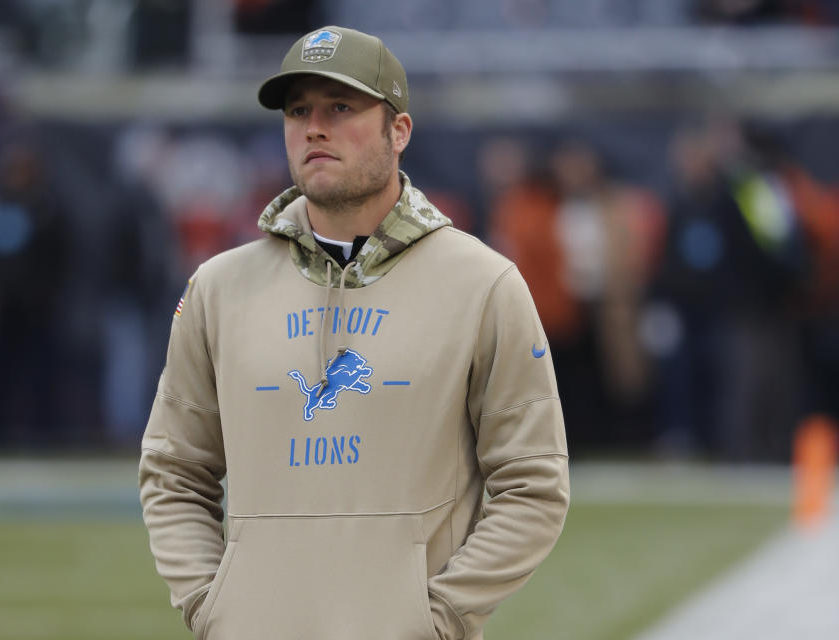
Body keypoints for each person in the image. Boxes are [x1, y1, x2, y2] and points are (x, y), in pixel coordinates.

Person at [139, 26, 569, 640]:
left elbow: (533, 485)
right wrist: (215, 608)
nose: (314, 127)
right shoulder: (217, 288)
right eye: (298, 111)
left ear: (400, 131)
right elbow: (174, 471)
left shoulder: (483, 284)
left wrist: (436, 618)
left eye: (340, 107)